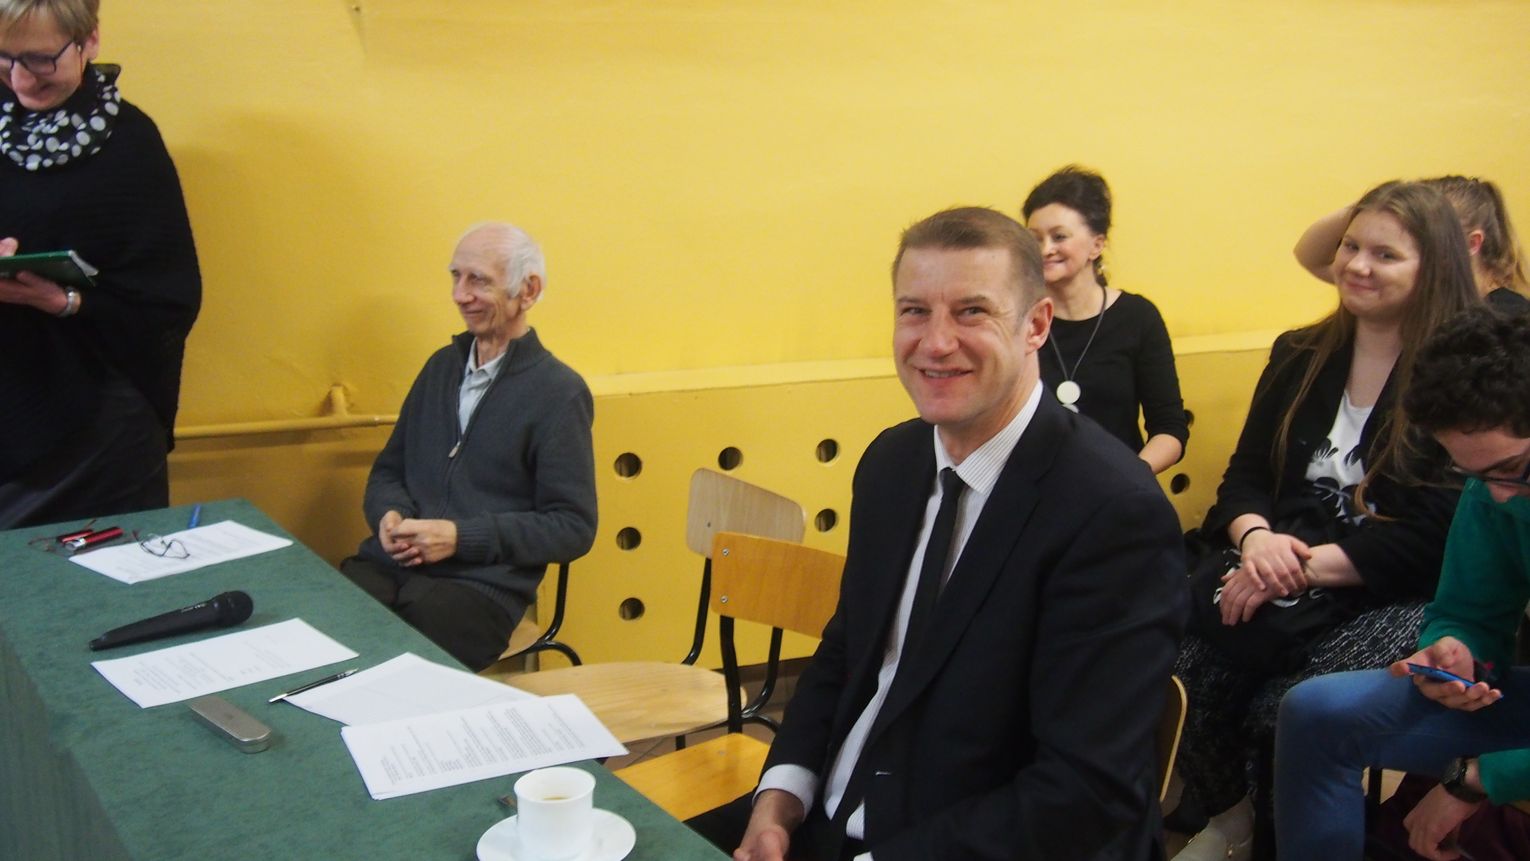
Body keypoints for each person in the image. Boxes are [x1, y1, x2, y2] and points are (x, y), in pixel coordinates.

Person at [714, 207, 1186, 861]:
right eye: (914, 311)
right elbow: (846, 651)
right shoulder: (891, 463)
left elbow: (1086, 792)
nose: (935, 343)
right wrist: (777, 802)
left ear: (1036, 325)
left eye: (971, 312)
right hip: (829, 820)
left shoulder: (1112, 511)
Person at [1171, 181, 1479, 861]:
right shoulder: (1299, 353)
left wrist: (1297, 568)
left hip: (1393, 588)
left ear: (1434, 266)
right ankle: (1231, 819)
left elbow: (1439, 533)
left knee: (1288, 708)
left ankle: (1281, 840)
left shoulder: (1459, 371)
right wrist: (1257, 540)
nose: (1357, 265)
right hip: (1276, 560)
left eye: (1385, 254)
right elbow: (1245, 477)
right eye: (1350, 246)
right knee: (1182, 668)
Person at [1275, 307, 1530, 861]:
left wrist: (1478, 778)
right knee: (1315, 713)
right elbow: (1469, 609)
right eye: (1476, 475)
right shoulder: (1495, 489)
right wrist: (1456, 651)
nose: (1500, 494)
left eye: (1516, 469)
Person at [339, 222, 596, 672]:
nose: (460, 295)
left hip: (479, 589)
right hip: (390, 567)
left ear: (528, 291)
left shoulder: (559, 393)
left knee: (399, 670)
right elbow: (388, 472)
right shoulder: (440, 368)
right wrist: (389, 516)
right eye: (456, 277)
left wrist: (460, 538)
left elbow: (572, 527)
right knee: (323, 630)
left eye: (478, 280)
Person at [0, 0, 200, 528]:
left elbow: (168, 300)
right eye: (4, 58)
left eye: (40, 59)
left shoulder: (129, 143)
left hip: (96, 424)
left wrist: (63, 300)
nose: (20, 79)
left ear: (89, 41)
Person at [1021, 165, 1188, 473]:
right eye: (1035, 238)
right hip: (1035, 486)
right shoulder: (1019, 319)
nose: (1045, 249)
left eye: (1059, 236)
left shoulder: (1137, 317)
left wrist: (1128, 478)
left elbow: (1170, 428)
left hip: (1122, 485)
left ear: (1097, 245)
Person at [1294, 175, 1530, 313]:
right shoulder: (1421, 291)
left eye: (1427, 231)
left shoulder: (1510, 317)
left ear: (1471, 243)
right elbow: (1309, 254)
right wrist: (1382, 202)